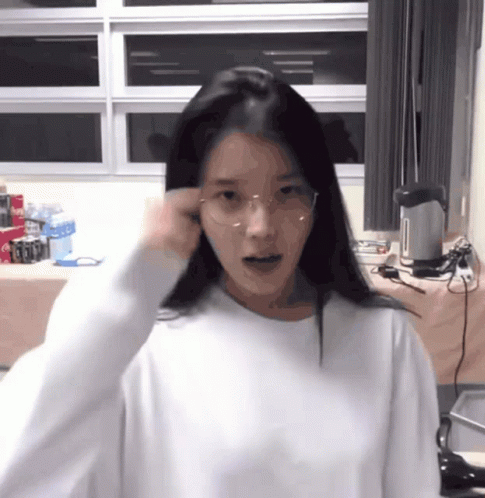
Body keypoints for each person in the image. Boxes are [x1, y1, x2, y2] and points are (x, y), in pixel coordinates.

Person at [0, 66, 442, 497]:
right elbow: (17, 474)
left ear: (317, 199)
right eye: (230, 196)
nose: (261, 227)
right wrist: (132, 286)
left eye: (287, 192)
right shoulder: (138, 344)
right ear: (192, 203)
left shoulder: (384, 340)